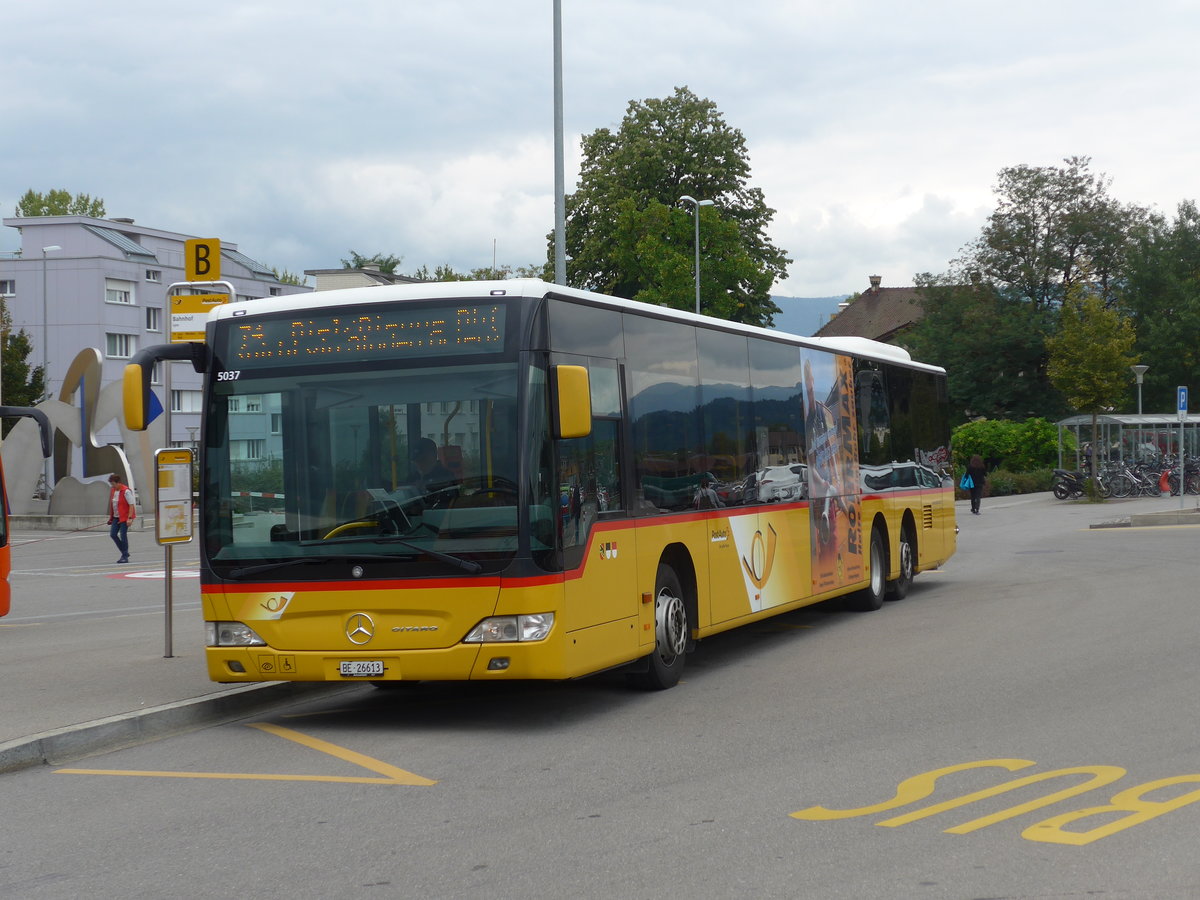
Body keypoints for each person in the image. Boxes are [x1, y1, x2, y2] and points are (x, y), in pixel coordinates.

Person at [107, 473, 137, 563]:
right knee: (113, 534)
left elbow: (131, 505)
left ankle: (124, 556)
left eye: (113, 484)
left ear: (118, 483)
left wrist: (130, 518)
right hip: (116, 517)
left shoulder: (126, 491)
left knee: (123, 535)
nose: (112, 486)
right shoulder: (113, 491)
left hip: (125, 517)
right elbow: (114, 505)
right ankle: (125, 552)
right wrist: (111, 518)